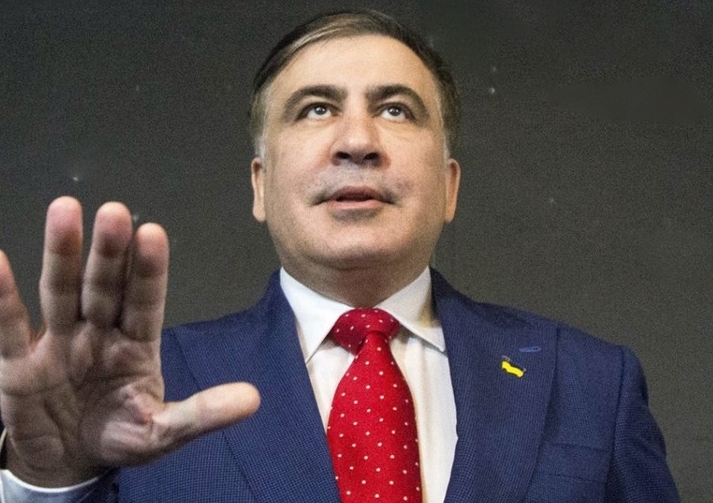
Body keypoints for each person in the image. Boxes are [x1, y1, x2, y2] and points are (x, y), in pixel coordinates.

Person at [0, 9, 679, 503]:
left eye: (396, 110)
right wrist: (49, 480)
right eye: (316, 109)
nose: (357, 140)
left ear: (449, 186)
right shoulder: (140, 391)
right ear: (260, 185)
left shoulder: (592, 383)